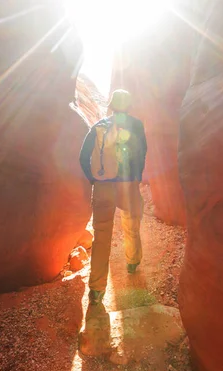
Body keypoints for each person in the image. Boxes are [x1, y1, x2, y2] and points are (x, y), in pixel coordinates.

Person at [79, 89, 147, 305]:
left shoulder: (99, 126)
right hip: (127, 185)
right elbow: (142, 153)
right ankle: (132, 262)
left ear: (111, 105)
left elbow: (83, 156)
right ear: (128, 105)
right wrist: (136, 178)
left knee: (101, 236)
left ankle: (97, 289)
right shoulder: (136, 125)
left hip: (103, 185)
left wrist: (93, 179)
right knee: (131, 225)